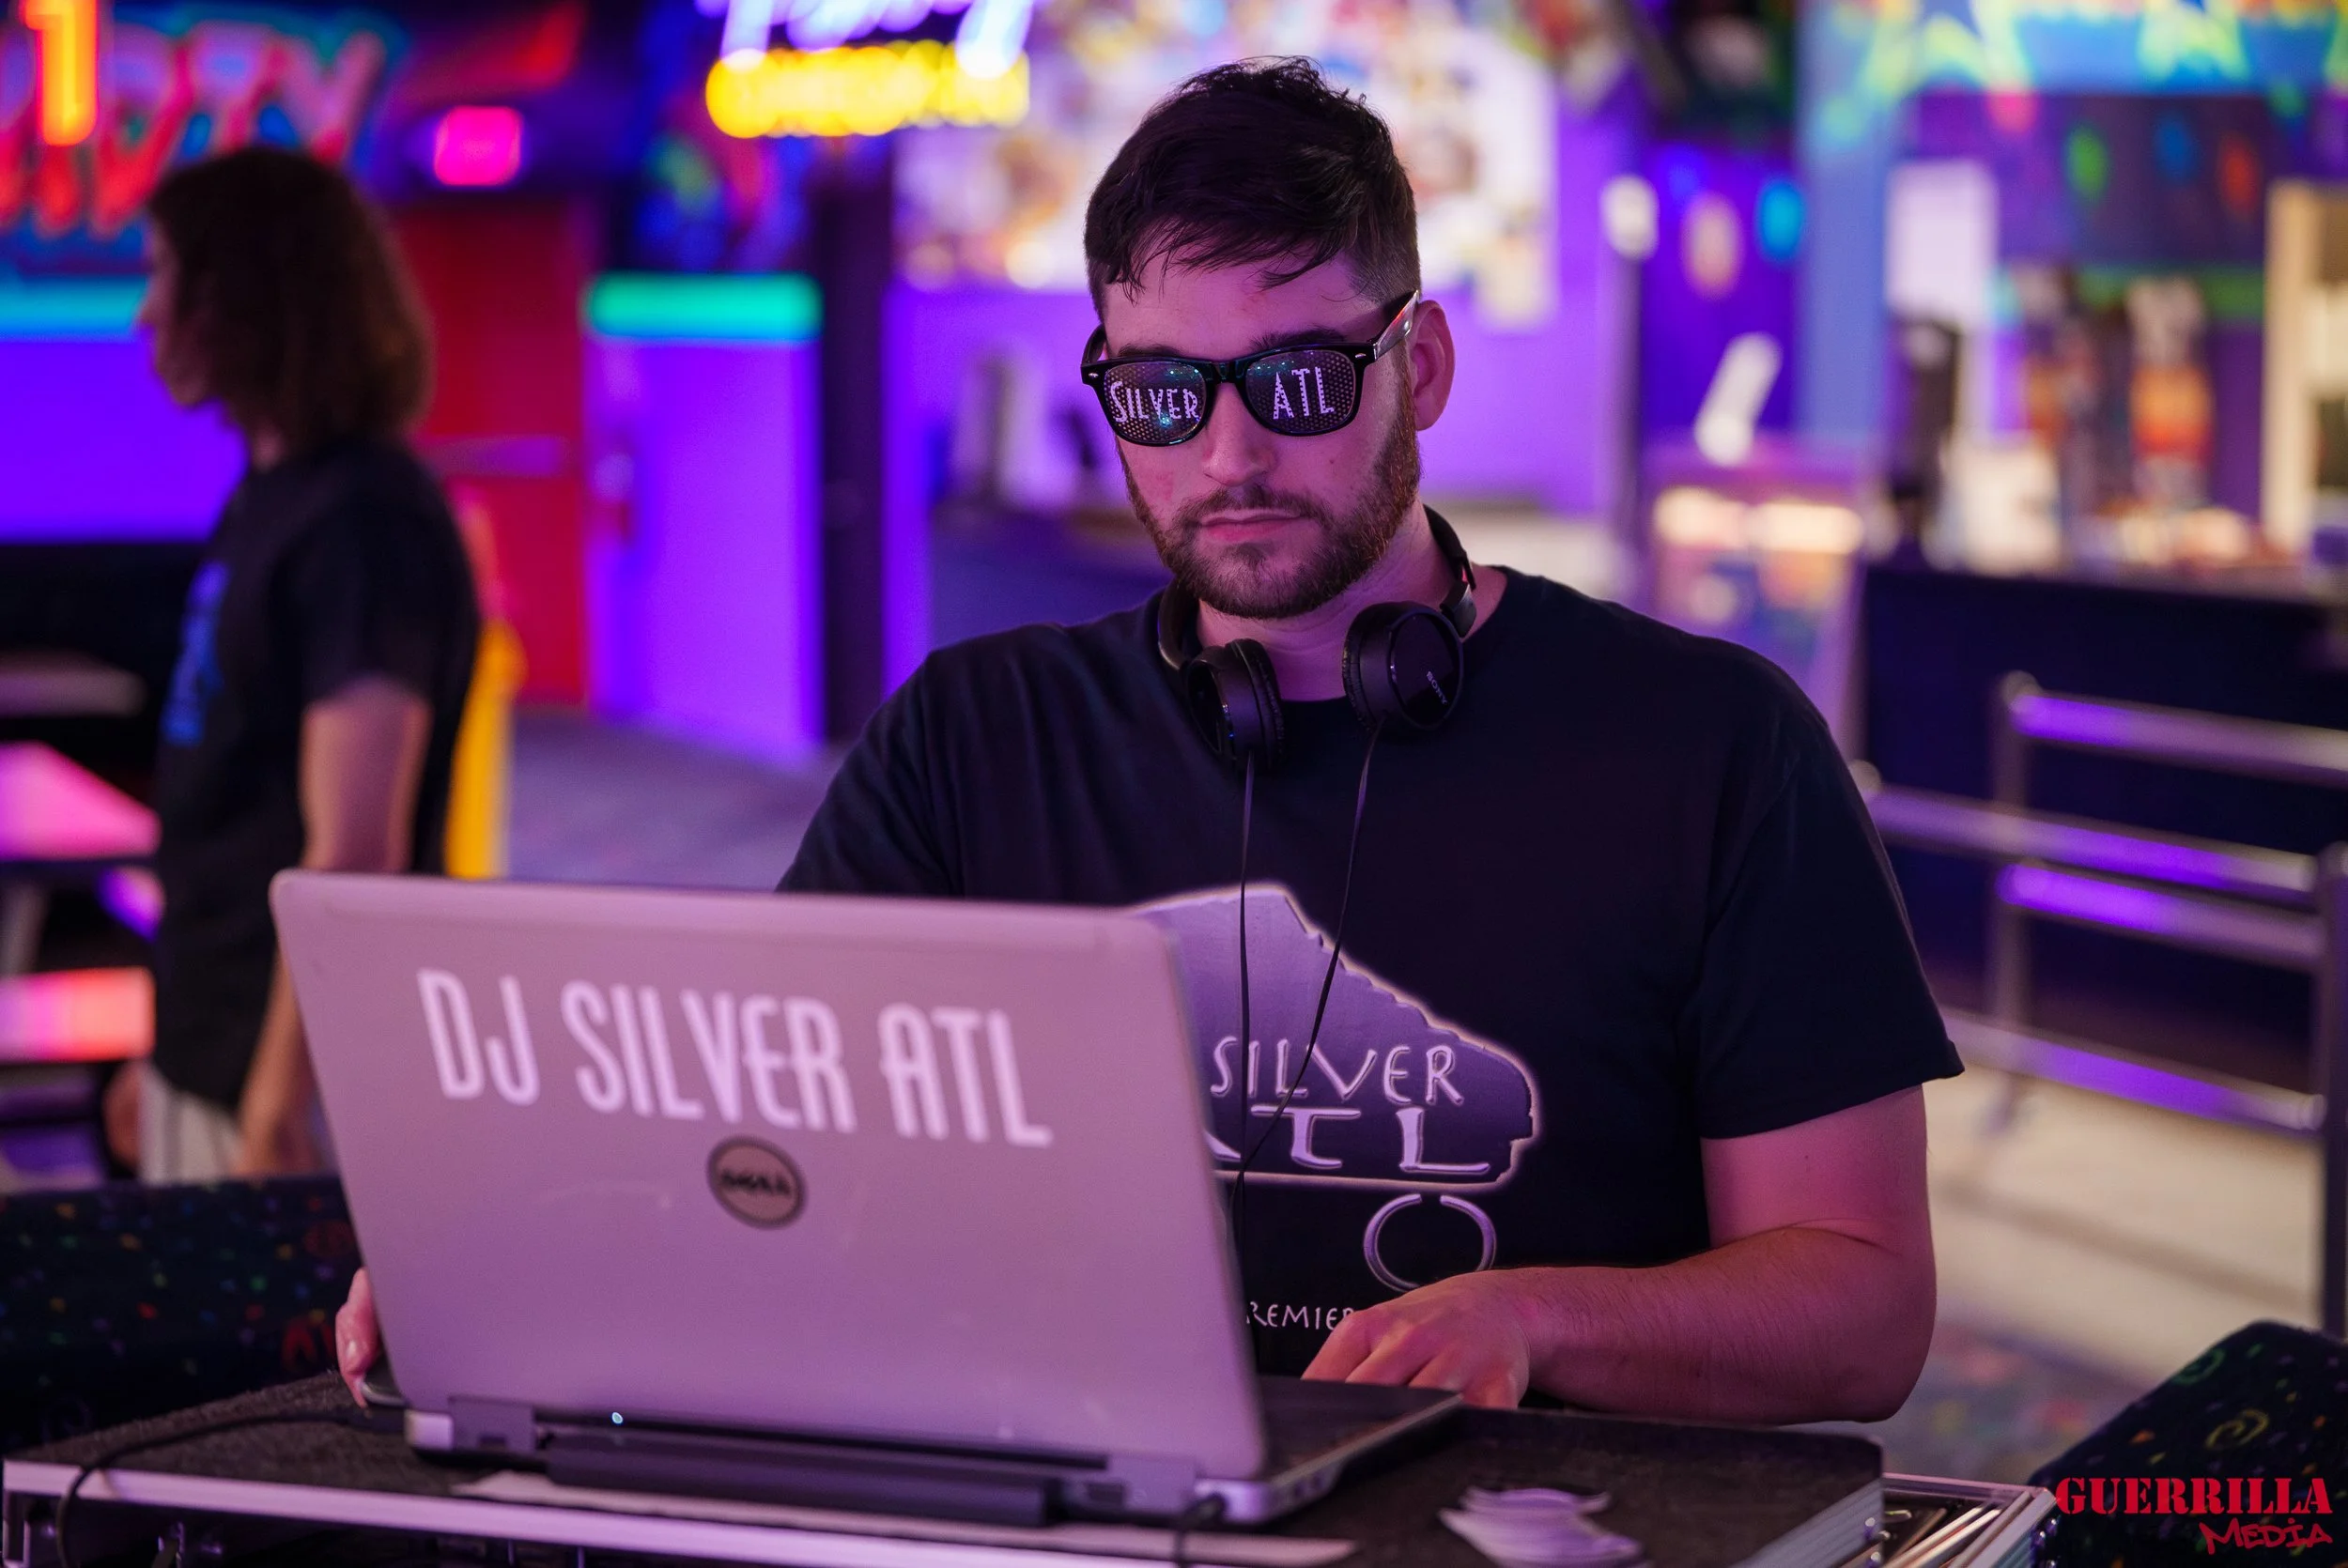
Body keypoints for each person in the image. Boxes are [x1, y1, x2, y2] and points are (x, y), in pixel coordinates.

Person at [341, 59, 1955, 1424]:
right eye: (1168, 395)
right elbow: (771, 1148)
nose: (1235, 452)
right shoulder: (975, 739)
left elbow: (1863, 1309)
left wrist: (1536, 1323)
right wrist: (520, 1249)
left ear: (1425, 367)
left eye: (1304, 379)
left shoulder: (1712, 748)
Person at [110, 146, 480, 1180]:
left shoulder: (363, 519)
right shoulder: (275, 495)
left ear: (242, 299)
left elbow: (354, 848)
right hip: (212, 1046)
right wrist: (167, 1051)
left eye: (164, 277)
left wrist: (279, 1097)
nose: (146, 315)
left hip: (293, 1088)